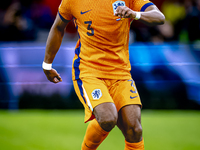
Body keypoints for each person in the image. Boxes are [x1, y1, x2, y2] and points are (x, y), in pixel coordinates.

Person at [42, 0, 165, 149]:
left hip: (121, 72)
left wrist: (135, 14)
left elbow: (159, 17)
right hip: (89, 70)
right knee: (107, 118)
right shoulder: (72, 1)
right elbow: (58, 27)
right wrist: (47, 64)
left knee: (134, 129)